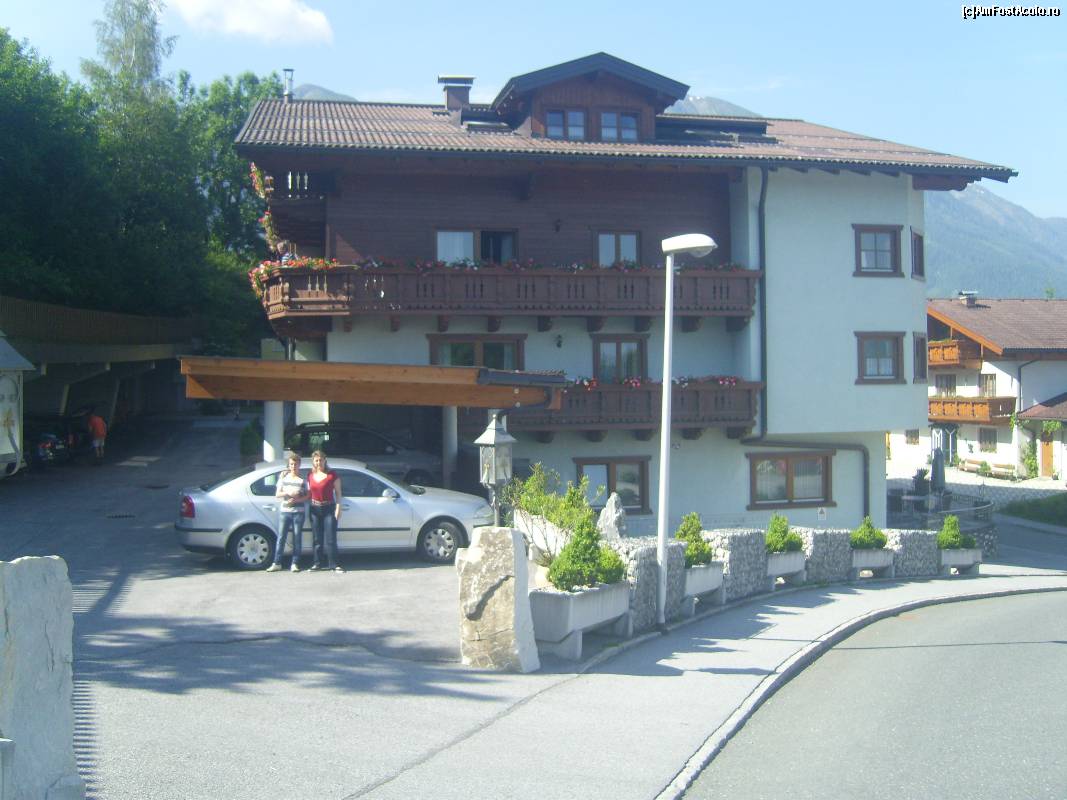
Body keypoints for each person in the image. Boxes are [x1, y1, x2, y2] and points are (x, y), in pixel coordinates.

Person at [267, 452, 308, 573]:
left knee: (297, 537)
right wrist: (288, 493)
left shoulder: (303, 480)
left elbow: (307, 496)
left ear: (299, 465)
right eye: (291, 464)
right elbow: (277, 494)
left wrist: (297, 499)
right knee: (281, 537)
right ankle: (277, 563)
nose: (293, 466)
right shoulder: (283, 478)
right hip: (285, 511)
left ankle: (295, 563)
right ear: (288, 465)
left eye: (295, 464)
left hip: (299, 512)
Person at [307, 450, 344, 572]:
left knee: (331, 538)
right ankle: (317, 564)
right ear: (313, 462)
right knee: (317, 539)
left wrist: (338, 507)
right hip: (314, 509)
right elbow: (308, 493)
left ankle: (334, 564)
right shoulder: (310, 475)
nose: (319, 463)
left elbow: (338, 493)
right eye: (316, 460)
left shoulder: (332, 475)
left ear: (325, 460)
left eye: (321, 460)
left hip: (329, 508)